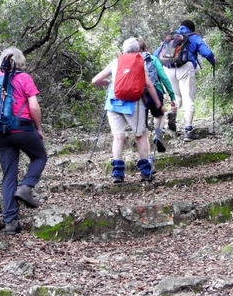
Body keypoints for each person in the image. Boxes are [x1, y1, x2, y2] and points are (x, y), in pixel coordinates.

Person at [0, 47, 47, 234]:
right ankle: (26, 187)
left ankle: (10, 222)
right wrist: (38, 129)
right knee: (39, 157)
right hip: (21, 128)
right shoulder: (24, 78)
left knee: (8, 175)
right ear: (21, 61)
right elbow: (34, 107)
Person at [91, 38, 164, 183]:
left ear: (123, 50)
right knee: (140, 135)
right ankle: (145, 171)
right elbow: (148, 84)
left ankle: (117, 173)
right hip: (133, 104)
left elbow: (95, 81)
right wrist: (157, 103)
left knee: (118, 137)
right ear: (138, 51)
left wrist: (109, 82)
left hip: (113, 103)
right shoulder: (140, 62)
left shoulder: (115, 62)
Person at [154, 19, 216, 142]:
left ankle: (173, 111)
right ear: (192, 28)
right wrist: (213, 62)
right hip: (185, 68)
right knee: (188, 97)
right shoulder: (193, 37)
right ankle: (188, 130)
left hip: (169, 69)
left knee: (177, 96)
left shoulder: (171, 36)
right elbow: (207, 53)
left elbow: (155, 55)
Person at [136, 37, 176, 154]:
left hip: (139, 94)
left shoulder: (132, 61)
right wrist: (172, 96)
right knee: (159, 115)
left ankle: (146, 152)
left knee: (143, 125)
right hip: (155, 91)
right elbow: (163, 77)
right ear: (146, 48)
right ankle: (157, 136)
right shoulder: (152, 59)